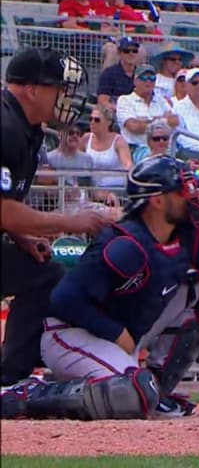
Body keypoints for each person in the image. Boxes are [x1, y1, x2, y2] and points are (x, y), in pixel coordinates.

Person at [1, 155, 199, 420]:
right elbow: (65, 301)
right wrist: (116, 334)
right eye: (181, 191)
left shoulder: (185, 235)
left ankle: (157, 388)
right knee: (132, 393)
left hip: (120, 335)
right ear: (156, 200)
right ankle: (32, 392)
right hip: (68, 334)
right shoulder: (125, 244)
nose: (191, 197)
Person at [1, 48, 115, 387]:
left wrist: (24, 237)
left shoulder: (28, 128)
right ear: (32, 90)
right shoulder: (5, 127)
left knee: (42, 275)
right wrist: (72, 221)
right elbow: (4, 210)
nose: (66, 98)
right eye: (58, 89)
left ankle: (9, 379)